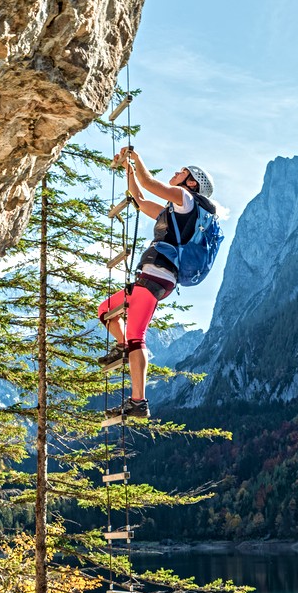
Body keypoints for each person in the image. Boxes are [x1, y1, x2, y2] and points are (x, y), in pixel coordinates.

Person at [97, 147, 216, 418]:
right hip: (153, 277)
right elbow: (139, 198)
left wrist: (137, 159)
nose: (176, 172)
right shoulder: (171, 213)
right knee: (105, 310)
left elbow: (150, 184)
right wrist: (128, 168)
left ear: (192, 182)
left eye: (182, 171)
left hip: (157, 276)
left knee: (137, 337)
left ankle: (138, 402)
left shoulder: (186, 198)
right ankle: (123, 347)